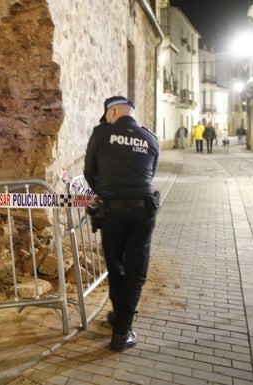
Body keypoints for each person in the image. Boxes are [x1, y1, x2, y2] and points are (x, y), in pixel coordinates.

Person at [84, 96, 160, 352]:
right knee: (136, 271)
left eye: (106, 114)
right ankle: (121, 326)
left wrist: (107, 192)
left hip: (112, 213)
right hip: (143, 211)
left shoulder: (101, 134)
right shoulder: (150, 138)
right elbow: (150, 173)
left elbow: (89, 172)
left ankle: (121, 329)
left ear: (113, 111)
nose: (105, 119)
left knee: (117, 267)